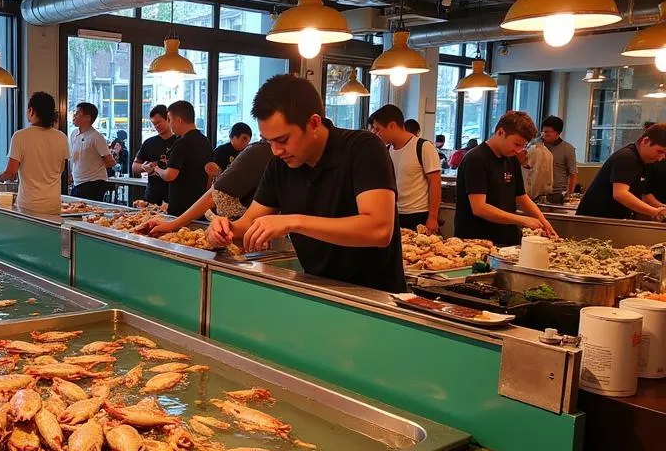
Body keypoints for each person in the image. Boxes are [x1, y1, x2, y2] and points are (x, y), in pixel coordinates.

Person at [207, 75, 405, 293]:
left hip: (377, 299)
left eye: (282, 140)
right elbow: (249, 224)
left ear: (313, 123)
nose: (275, 150)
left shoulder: (363, 148)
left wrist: (293, 221)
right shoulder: (279, 166)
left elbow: (379, 230)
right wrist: (223, 231)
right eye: (268, 141)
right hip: (318, 292)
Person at [454, 111, 557, 245]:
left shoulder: (511, 157)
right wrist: (523, 220)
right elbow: (479, 208)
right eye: (516, 144)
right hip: (477, 240)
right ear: (501, 132)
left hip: (506, 239)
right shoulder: (476, 159)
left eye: (522, 146)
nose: (519, 150)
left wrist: (543, 221)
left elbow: (522, 197)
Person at [148, 138, 274, 236]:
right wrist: (221, 232)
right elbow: (215, 193)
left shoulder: (265, 154)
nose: (279, 149)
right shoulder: (260, 152)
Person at [367, 104, 442, 233]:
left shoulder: (423, 146)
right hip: (393, 213)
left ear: (392, 126)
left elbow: (435, 182)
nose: (376, 133)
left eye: (378, 129)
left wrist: (433, 217)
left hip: (418, 214)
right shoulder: (386, 150)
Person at [0, 92, 68, 215]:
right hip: (53, 203)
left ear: (31, 111)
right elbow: (61, 168)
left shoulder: (20, 136)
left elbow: (11, 172)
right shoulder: (61, 137)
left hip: (29, 204)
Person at [576, 125, 666, 220]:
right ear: (646, 141)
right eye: (659, 151)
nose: (661, 158)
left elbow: (644, 195)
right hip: (595, 219)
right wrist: (654, 212)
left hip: (616, 219)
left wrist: (662, 208)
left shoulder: (647, 161)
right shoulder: (627, 157)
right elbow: (620, 194)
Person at [147, 100, 213, 217]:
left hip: (181, 207)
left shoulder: (181, 143)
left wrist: (156, 169)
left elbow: (169, 175)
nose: (170, 124)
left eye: (170, 120)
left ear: (179, 120)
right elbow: (209, 173)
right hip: (199, 205)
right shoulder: (205, 141)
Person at [68, 101, 114, 201]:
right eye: (74, 113)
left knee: (89, 214)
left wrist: (93, 166)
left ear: (87, 118)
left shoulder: (96, 137)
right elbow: (73, 158)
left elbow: (110, 162)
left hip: (93, 183)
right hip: (77, 182)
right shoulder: (73, 134)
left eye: (77, 113)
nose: (74, 116)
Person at [132, 105, 177, 207]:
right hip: (152, 195)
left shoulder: (179, 141)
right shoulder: (149, 142)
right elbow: (134, 166)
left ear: (168, 119)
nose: (156, 126)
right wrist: (145, 167)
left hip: (174, 195)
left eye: (159, 122)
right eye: (154, 124)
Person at [540, 116, 578, 196]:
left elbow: (573, 173)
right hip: (539, 191)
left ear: (557, 132)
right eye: (543, 131)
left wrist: (569, 194)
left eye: (547, 132)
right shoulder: (538, 146)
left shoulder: (568, 148)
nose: (544, 134)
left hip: (558, 192)